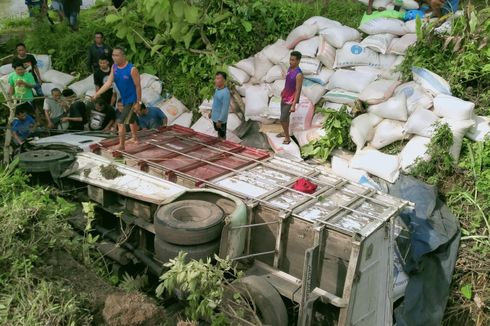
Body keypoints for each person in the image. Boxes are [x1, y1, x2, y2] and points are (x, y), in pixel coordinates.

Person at [94, 46, 142, 151]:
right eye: (113, 55)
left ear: (123, 56)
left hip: (132, 100)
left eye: (117, 55)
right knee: (131, 119)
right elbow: (108, 83)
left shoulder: (132, 69)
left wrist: (139, 103)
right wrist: (97, 94)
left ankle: (121, 146)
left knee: (120, 122)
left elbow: (138, 86)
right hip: (124, 99)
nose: (114, 57)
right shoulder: (114, 67)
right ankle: (134, 138)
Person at [279, 51, 303, 145]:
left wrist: (293, 105)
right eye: (290, 59)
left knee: (282, 119)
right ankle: (286, 132)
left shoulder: (299, 74)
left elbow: (298, 90)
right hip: (285, 96)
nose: (290, 62)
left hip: (290, 100)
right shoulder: (290, 68)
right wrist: (284, 89)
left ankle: (287, 138)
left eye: (293, 60)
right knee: (285, 118)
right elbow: (288, 81)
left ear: (298, 61)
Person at [210, 71, 231, 140]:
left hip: (220, 119)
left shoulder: (226, 93)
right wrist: (211, 111)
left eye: (218, 78)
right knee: (218, 131)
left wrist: (220, 120)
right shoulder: (217, 89)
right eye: (216, 78)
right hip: (215, 116)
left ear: (224, 80)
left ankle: (223, 144)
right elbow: (215, 103)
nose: (216, 80)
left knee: (222, 134)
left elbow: (225, 108)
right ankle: (219, 140)